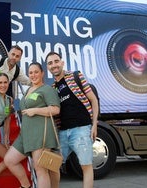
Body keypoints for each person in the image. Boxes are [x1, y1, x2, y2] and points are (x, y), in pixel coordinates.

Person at [45, 52, 99, 188]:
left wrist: (94, 125)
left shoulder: (76, 76)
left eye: (56, 61)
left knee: (86, 166)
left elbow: (93, 100)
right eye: (50, 63)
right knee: (52, 165)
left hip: (81, 129)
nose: (54, 65)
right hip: (62, 133)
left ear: (62, 63)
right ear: (48, 67)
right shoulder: (52, 89)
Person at [4, 62, 61, 188]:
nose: (33, 75)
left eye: (36, 72)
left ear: (42, 73)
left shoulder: (47, 89)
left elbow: (55, 109)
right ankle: (26, 185)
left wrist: (35, 111)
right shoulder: (29, 90)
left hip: (40, 134)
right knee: (9, 160)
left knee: (40, 169)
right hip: (25, 135)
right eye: (30, 73)